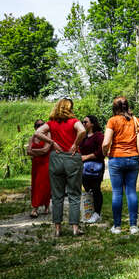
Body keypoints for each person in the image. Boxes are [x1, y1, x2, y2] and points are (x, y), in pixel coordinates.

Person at [35, 98, 86, 237]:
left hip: (56, 158)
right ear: (69, 108)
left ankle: (57, 229)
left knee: (57, 195)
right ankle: (75, 228)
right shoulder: (74, 121)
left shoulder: (51, 123)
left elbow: (37, 133)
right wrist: (75, 144)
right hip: (72, 158)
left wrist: (51, 142)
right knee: (74, 194)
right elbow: (82, 131)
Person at [102, 97, 139, 235]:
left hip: (116, 158)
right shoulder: (134, 120)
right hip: (133, 158)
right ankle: (133, 226)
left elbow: (106, 142)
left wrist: (104, 153)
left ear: (115, 107)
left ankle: (117, 227)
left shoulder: (112, 121)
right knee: (131, 192)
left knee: (117, 193)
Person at [80, 115, 105, 224]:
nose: (83, 124)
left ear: (92, 124)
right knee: (88, 189)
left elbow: (101, 152)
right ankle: (90, 211)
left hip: (96, 167)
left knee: (96, 189)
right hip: (84, 168)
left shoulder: (98, 135)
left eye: (85, 122)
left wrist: (87, 157)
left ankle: (97, 213)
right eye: (83, 122)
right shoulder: (83, 136)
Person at [27, 119, 51, 218]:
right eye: (37, 125)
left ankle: (35, 209)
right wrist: (38, 152)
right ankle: (46, 206)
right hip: (36, 164)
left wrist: (33, 151)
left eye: (42, 124)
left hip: (45, 164)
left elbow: (46, 150)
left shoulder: (48, 135)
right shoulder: (32, 137)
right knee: (35, 184)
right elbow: (28, 152)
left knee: (41, 184)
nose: (40, 126)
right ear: (35, 127)